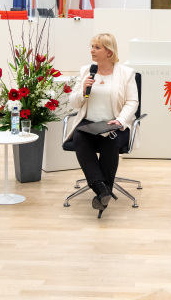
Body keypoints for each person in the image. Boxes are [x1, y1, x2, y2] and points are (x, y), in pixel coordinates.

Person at [66, 33, 139, 217]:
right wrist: (83, 90)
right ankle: (102, 189)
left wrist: (120, 121)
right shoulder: (86, 71)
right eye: (92, 46)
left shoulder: (126, 73)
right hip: (89, 124)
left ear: (109, 52)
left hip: (114, 124)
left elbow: (132, 102)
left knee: (110, 140)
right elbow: (74, 103)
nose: (92, 50)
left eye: (97, 47)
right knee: (79, 137)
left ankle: (102, 192)